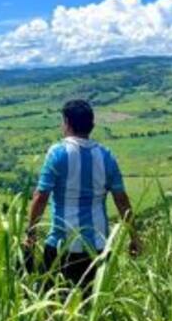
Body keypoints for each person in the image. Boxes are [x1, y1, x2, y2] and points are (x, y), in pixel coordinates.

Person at [24, 98, 140, 300]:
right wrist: (134, 237)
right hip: (98, 246)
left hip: (62, 245)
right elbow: (122, 201)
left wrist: (31, 233)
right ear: (92, 126)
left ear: (66, 123)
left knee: (52, 306)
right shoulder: (106, 156)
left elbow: (41, 197)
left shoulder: (57, 152)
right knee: (95, 307)